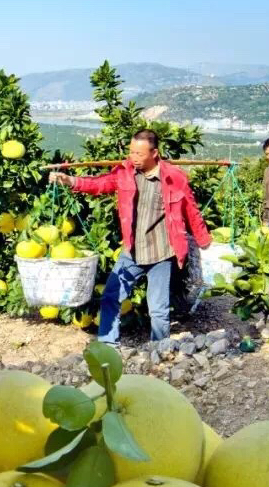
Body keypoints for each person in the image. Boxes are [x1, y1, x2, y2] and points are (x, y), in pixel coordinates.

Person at [49, 129, 211, 344]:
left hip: (162, 252)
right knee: (110, 298)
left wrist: (204, 240)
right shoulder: (125, 172)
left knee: (158, 309)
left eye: (139, 154)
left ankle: (159, 349)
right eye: (131, 152)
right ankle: (108, 345)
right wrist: (71, 181)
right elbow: (100, 183)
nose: (133, 158)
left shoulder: (174, 178)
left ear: (155, 153)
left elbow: (191, 210)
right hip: (132, 251)